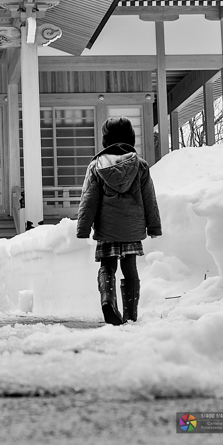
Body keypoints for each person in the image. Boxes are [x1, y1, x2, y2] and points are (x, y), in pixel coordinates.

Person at [75, 117, 162, 325]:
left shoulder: (96, 166)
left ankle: (108, 300)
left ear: (106, 140)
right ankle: (130, 315)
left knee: (107, 266)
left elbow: (89, 200)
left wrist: (83, 228)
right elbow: (149, 199)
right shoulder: (140, 165)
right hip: (131, 228)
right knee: (130, 268)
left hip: (107, 228)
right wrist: (154, 227)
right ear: (131, 138)